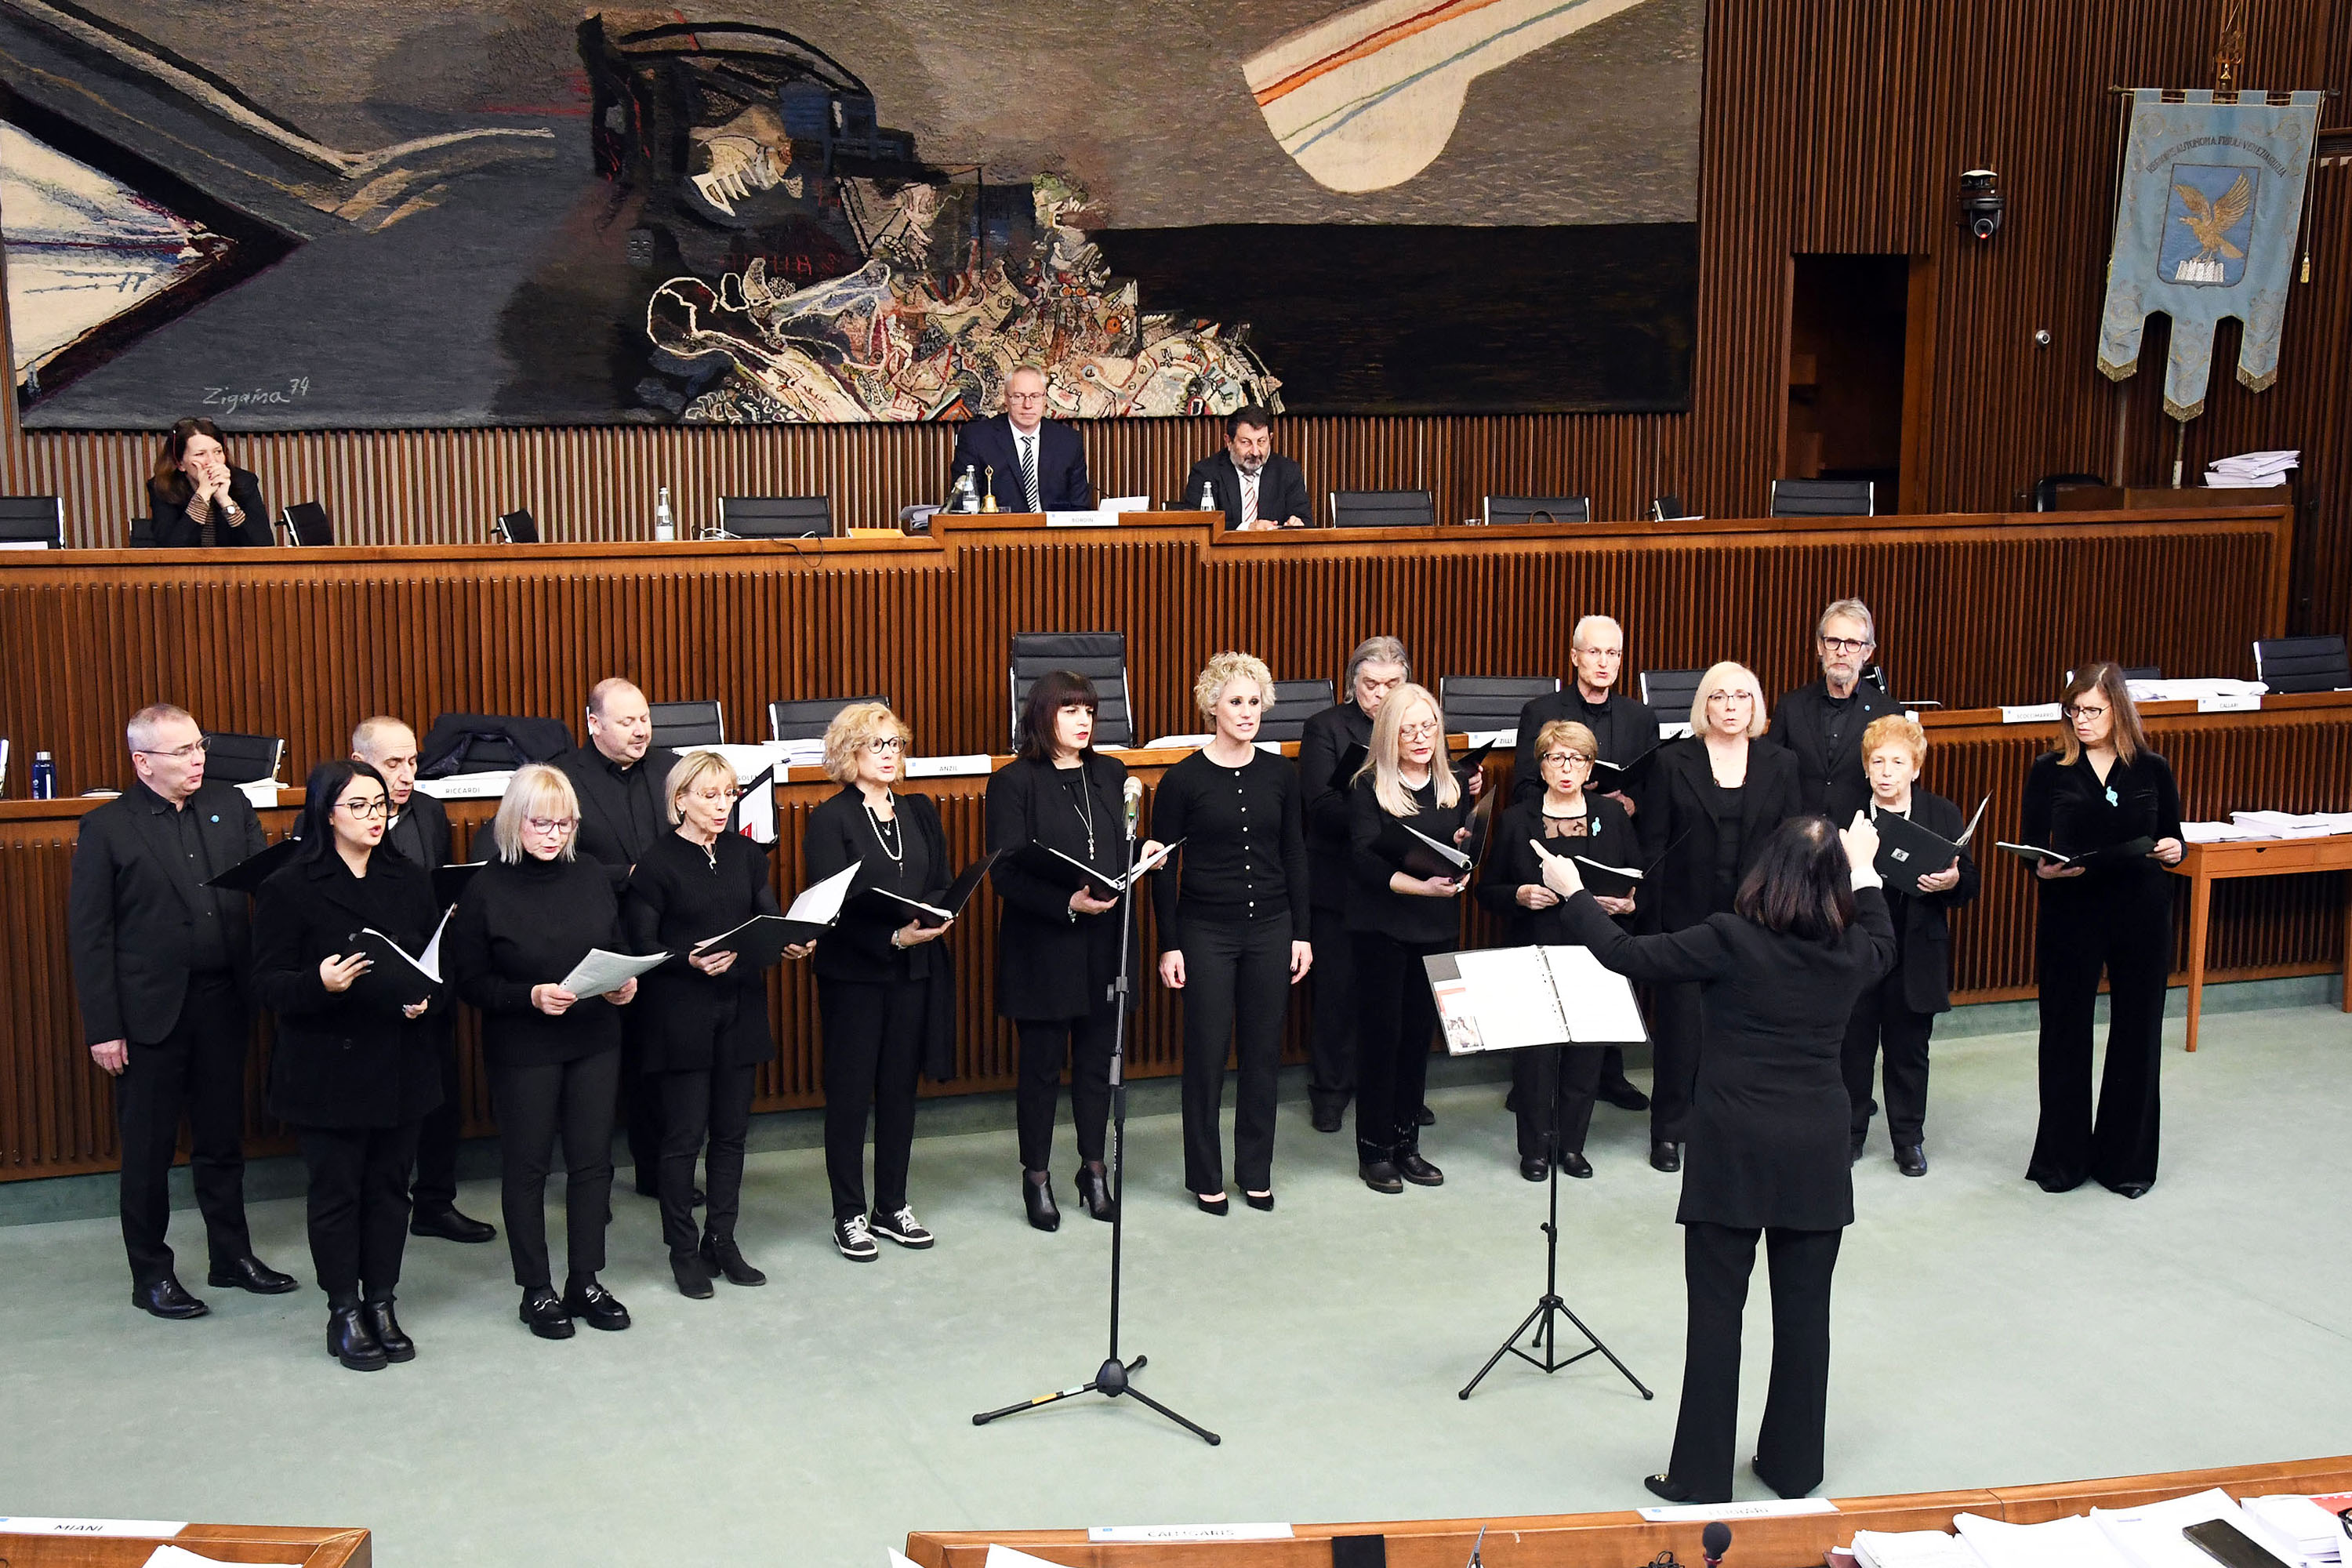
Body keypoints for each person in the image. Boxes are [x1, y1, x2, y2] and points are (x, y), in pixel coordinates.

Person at [1549, 815, 1895, 1506]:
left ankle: (1702, 1475)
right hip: (1816, 1149)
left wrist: (1571, 892)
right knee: (1806, 1317)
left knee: (1716, 1315)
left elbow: (1625, 954)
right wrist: (1863, 866)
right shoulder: (1855, 949)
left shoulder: (1728, 939)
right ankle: (1793, 1467)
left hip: (1734, 1146)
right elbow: (1883, 929)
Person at [66, 703, 294, 1319]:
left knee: (223, 1138)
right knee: (147, 1150)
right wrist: (104, 1028)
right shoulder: (107, 828)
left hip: (223, 1001)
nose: (198, 760)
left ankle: (231, 1256)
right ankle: (151, 1274)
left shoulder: (230, 806)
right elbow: (90, 937)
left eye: (200, 747)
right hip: (148, 1015)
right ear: (143, 763)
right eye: (182, 752)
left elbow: (264, 890)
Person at [251, 760, 445, 1370]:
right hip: (326, 1065)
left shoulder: (409, 878)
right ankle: (343, 1308)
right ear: (326, 813)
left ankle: (383, 1301)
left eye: (381, 806)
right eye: (359, 806)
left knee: (391, 1190)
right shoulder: (291, 884)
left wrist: (426, 998)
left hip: (399, 1057)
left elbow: (439, 965)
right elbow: (266, 984)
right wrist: (319, 982)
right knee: (337, 1192)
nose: (375, 818)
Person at [444, 764, 639, 1340]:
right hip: (524, 1043)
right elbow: (471, 983)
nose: (554, 835)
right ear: (514, 821)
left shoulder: (590, 877)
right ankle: (536, 1288)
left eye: (565, 824)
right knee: (528, 1168)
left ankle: (585, 1279)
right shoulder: (485, 887)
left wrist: (625, 982)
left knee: (591, 1163)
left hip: (594, 1037)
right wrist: (527, 995)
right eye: (541, 823)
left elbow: (618, 947)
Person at [625, 752, 796, 1296]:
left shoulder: (747, 854)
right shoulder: (657, 863)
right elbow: (642, 946)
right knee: (682, 1139)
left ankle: (721, 1239)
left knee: (731, 1134)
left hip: (740, 1005)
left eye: (728, 794)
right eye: (709, 795)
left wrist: (791, 939)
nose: (723, 805)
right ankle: (682, 1249)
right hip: (682, 1012)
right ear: (680, 801)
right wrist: (689, 960)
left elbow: (767, 916)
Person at [1149, 653, 1313, 1212]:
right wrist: (1169, 943)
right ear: (1211, 707)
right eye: (1235, 701)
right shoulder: (1182, 780)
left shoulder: (1279, 775)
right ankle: (1205, 1174)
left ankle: (1255, 1170)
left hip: (1272, 927)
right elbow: (1163, 867)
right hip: (1204, 932)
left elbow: (1294, 854)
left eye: (1254, 702)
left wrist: (1302, 933)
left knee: (1264, 1054)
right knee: (1206, 1055)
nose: (1247, 712)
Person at [2021, 662, 2184, 1199]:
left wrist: (2173, 849)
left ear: (2119, 710)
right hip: (2072, 909)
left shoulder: (2153, 768)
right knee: (2065, 1032)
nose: (2082, 719)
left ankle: (2127, 1163)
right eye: (2075, 710)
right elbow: (2030, 845)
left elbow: (2173, 839)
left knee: (2138, 1032)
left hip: (2140, 908)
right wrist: (2040, 868)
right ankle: (2061, 1162)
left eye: (2093, 710)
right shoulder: (2049, 769)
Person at [803, 704, 956, 1260]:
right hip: (855, 975)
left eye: (895, 744)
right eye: (877, 745)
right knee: (849, 1096)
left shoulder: (918, 812)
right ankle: (848, 1213)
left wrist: (936, 916)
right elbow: (827, 909)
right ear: (850, 754)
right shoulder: (830, 818)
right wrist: (890, 939)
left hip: (914, 971)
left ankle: (892, 1205)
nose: (890, 754)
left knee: (899, 1092)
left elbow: (937, 882)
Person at [1639, 662, 1802, 1172]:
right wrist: (1653, 931)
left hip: (1757, 920)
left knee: (1745, 1033)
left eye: (1741, 697)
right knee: (1680, 1033)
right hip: (1686, 919)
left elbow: (1790, 848)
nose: (1730, 707)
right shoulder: (1671, 762)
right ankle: (1669, 1130)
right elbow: (1654, 848)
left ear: (1755, 707)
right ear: (1704, 706)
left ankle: (1736, 1129)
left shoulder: (1782, 764)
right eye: (1719, 697)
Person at [986, 670, 1131, 1230]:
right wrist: (1067, 901)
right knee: (1042, 1069)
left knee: (1098, 1066)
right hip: (1044, 947)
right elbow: (1005, 875)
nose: (1083, 721)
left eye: (1089, 712)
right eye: (1070, 711)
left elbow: (1120, 845)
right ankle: (1037, 1177)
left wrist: (1145, 855)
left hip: (1105, 944)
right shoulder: (1015, 782)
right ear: (1043, 717)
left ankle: (1093, 1171)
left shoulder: (1112, 773)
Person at [350, 715, 495, 1245]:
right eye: (393, 764)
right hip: (366, 983)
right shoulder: (337, 816)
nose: (407, 773)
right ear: (361, 763)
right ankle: (371, 1208)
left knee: (441, 1097)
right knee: (376, 1104)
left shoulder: (429, 812)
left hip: (430, 973)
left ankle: (435, 1203)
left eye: (412, 761)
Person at [1475, 720, 1635, 1181]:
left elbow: (1639, 878)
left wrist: (1627, 904)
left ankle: (1572, 1146)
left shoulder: (1613, 815)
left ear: (1590, 767)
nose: (1567, 769)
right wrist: (1520, 895)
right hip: (1535, 948)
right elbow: (1488, 891)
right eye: (1556, 758)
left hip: (1595, 949)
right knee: (1536, 1058)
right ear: (1541, 765)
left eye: (1578, 759)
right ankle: (1535, 1149)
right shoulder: (1516, 817)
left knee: (1587, 1053)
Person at [1510, 612, 1656, 1112]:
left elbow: (1651, 796)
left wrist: (1627, 805)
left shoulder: (1639, 718)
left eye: (1613, 653)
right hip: (1550, 850)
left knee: (1608, 965)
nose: (1604, 662)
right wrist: (1568, 786)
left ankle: (1606, 1076)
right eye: (1594, 652)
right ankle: (1532, 1083)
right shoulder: (1541, 710)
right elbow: (1522, 788)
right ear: (1574, 657)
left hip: (1609, 850)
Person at [1345, 681, 1474, 1193]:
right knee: (1383, 1042)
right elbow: (1360, 860)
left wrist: (1465, 850)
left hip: (1437, 928)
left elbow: (1458, 844)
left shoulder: (1454, 783)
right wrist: (1419, 885)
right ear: (1389, 733)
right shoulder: (1367, 786)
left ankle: (1408, 1145)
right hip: (1383, 928)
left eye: (1429, 727)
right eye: (1409, 728)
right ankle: (1375, 1150)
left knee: (1419, 1042)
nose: (1421, 737)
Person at [556, 678, 678, 1203]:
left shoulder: (672, 767)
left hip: (667, 937)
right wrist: (626, 874)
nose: (640, 730)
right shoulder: (564, 777)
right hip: (599, 936)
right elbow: (558, 859)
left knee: (659, 1064)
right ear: (594, 724)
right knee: (596, 1076)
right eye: (627, 721)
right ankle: (592, 1190)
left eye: (645, 719)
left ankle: (657, 1174)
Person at [1843, 714, 1980, 1175]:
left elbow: (1970, 882)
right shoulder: (1846, 811)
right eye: (1877, 761)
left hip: (1915, 949)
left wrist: (1953, 879)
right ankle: (1849, 1134)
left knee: (1908, 1051)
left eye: (1897, 762)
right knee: (1852, 1047)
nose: (1886, 772)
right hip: (1858, 947)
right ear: (1865, 768)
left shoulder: (1941, 813)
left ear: (1915, 768)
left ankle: (1908, 1140)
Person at [1295, 637, 1406, 1134]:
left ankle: (1389, 1090)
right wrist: (1381, 807)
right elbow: (1320, 808)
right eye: (1370, 684)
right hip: (1339, 882)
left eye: (1392, 684)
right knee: (1338, 994)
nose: (1381, 694)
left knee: (1392, 994)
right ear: (1351, 684)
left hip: (1399, 881)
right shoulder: (1326, 727)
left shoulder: (1418, 724)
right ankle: (1331, 1091)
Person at [1765, 598, 1899, 821]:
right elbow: (1771, 777)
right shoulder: (1791, 706)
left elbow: (1897, 787)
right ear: (1820, 646)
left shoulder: (1887, 712)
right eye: (1833, 641)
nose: (1841, 651)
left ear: (1867, 652)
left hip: (1859, 838)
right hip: (1799, 838)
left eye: (1852, 643)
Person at [946, 365, 1091, 512]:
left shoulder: (1069, 442)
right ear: (1006, 398)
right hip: (999, 531)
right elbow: (962, 506)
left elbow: (1080, 507)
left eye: (1035, 396)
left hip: (1055, 533)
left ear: (1044, 398)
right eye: (1018, 396)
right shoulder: (976, 438)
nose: (1027, 405)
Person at [1181, 405, 1312, 529]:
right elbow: (1196, 527)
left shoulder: (1288, 471)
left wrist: (1298, 524)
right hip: (1223, 552)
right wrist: (1247, 528)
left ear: (1270, 438)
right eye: (1246, 442)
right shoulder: (1206, 473)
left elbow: (1306, 521)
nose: (1255, 452)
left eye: (1261, 442)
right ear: (1229, 442)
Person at [147, 418, 268, 548]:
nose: (212, 461)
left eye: (218, 452)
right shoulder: (164, 486)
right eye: (200, 454)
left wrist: (226, 502)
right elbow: (169, 551)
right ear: (180, 463)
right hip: (187, 568)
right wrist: (202, 495)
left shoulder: (244, 482)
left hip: (235, 567)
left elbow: (264, 545)